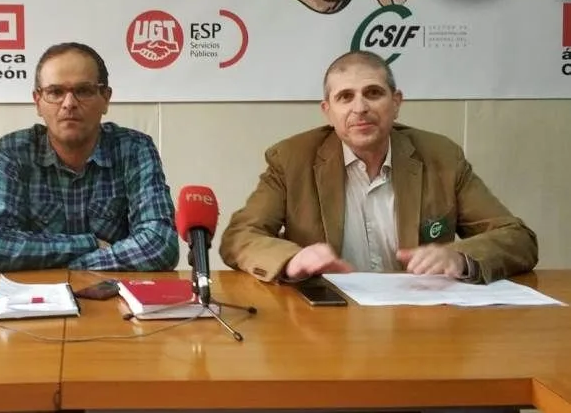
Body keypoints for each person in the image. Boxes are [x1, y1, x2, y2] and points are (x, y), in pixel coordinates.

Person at [220, 50, 538, 284]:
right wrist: (292, 258)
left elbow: (517, 237)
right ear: (327, 111)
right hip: (326, 321)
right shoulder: (291, 159)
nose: (360, 108)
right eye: (346, 97)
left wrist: (459, 257)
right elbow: (239, 236)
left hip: (419, 321)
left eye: (373, 93)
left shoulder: (441, 157)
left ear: (396, 102)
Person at [0, 42, 178, 272]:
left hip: (113, 298)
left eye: (83, 91)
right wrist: (89, 244)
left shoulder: (134, 149)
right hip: (32, 299)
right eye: (55, 92)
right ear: (38, 101)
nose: (69, 103)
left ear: (106, 98)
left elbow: (160, 244)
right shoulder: (12, 152)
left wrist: (77, 265)